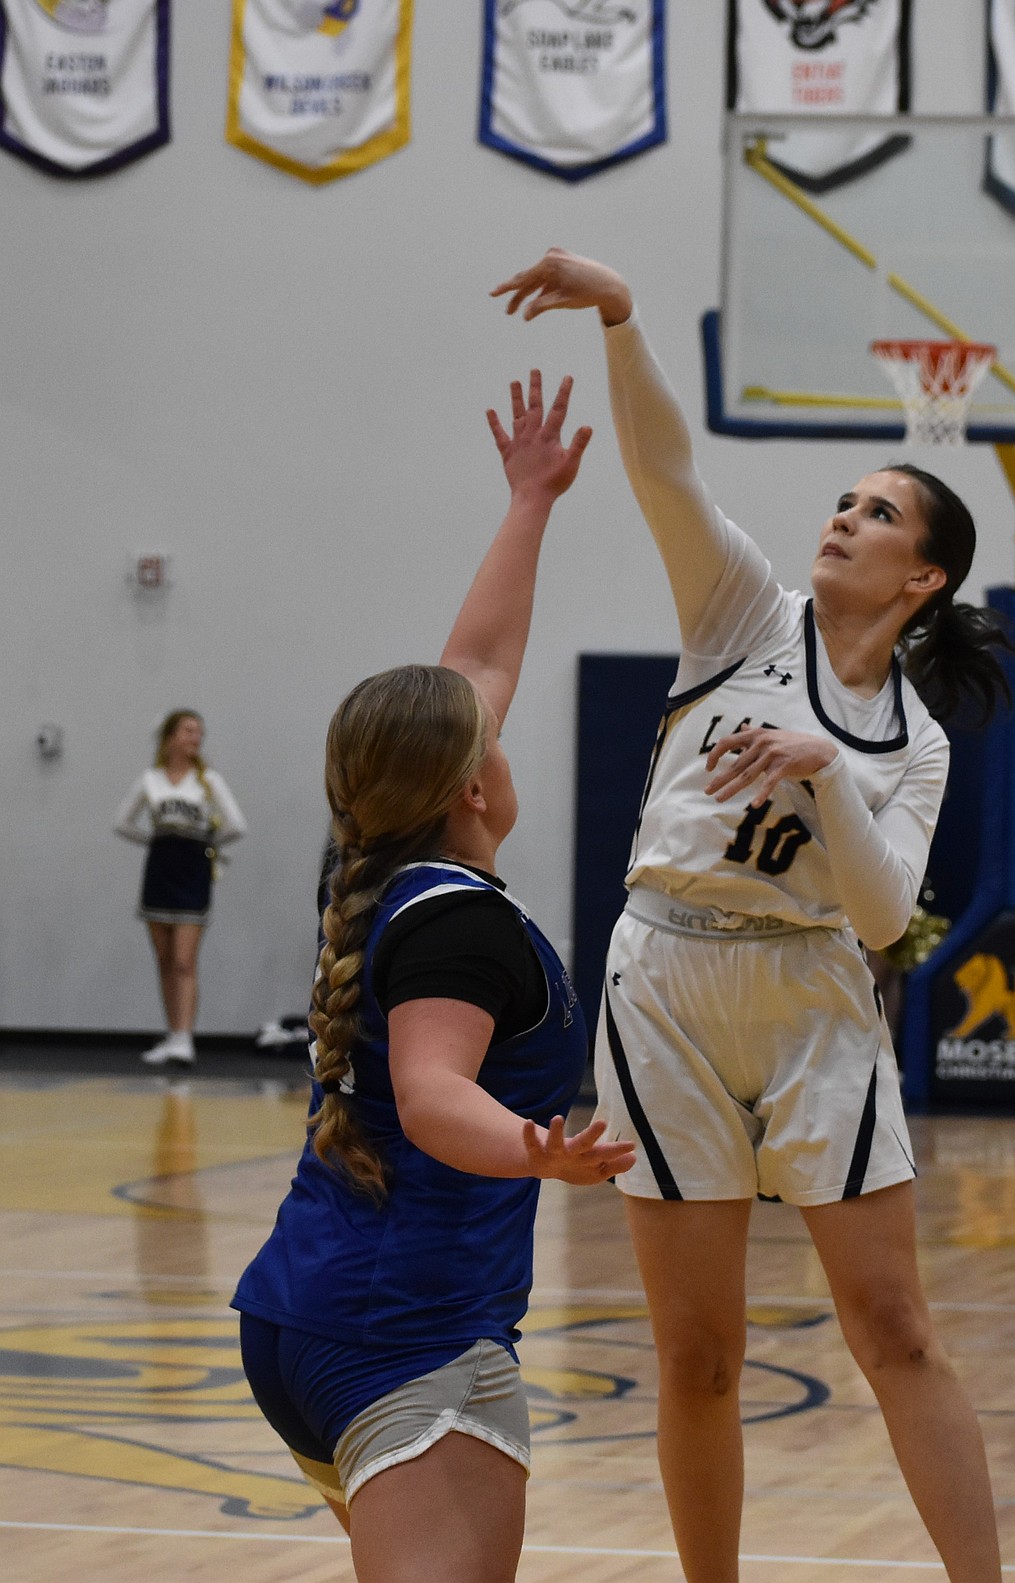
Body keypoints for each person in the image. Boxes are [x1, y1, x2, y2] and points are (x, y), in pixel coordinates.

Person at [493, 250, 1011, 1583]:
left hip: (811, 996)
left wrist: (822, 765)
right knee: (696, 1351)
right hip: (660, 975)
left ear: (923, 578)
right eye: (840, 498)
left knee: (892, 1322)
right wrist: (621, 314)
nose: (841, 516)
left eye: (876, 511)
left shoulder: (911, 739)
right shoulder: (738, 610)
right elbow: (666, 469)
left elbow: (883, 908)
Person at [231, 370, 635, 1583]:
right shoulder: (459, 927)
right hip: (407, 1333)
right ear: (473, 785)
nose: (498, 734)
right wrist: (534, 1146)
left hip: (309, 1315)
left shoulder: (369, 867)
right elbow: (430, 1091)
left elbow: (474, 661)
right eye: (490, 739)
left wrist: (530, 502)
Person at [114, 710, 247, 1065]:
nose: (195, 738)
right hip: (159, 871)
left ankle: (185, 1038)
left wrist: (207, 844)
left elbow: (236, 824)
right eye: (188, 730)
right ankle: (172, 1034)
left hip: (192, 873)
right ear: (170, 736)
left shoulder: (208, 781)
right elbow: (122, 822)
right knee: (164, 959)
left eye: (199, 732)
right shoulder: (150, 779)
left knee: (184, 960)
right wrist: (154, 842)